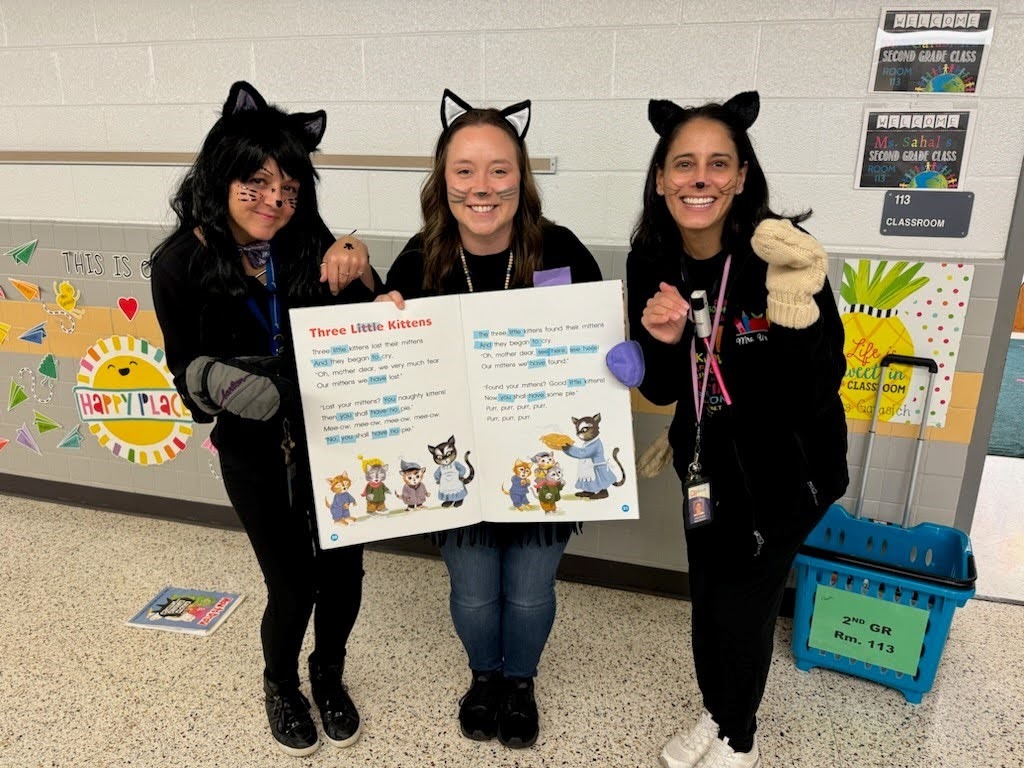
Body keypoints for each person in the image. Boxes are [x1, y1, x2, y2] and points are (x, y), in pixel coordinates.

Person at [150, 81, 382, 758]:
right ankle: (280, 683)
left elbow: (371, 334)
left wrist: (361, 270)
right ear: (221, 175)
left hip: (335, 439)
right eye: (256, 182)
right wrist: (210, 381)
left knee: (343, 573)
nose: (274, 201)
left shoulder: (308, 245)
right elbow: (184, 379)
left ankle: (328, 675)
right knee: (291, 582)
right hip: (252, 451)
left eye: (288, 187)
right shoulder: (180, 263)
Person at [625, 92, 848, 768]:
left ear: (742, 175)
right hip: (706, 466)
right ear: (661, 177)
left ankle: (739, 741)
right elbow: (664, 387)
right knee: (707, 603)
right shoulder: (652, 257)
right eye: (683, 164)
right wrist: (660, 340)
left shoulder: (781, 254)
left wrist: (790, 307)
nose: (701, 178)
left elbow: (813, 391)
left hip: (787, 471)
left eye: (718, 163)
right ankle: (717, 712)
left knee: (741, 613)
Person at [376, 89, 603, 749]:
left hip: (542, 472)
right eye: (465, 170)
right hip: (459, 476)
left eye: (499, 170)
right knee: (475, 596)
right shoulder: (420, 260)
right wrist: (379, 325)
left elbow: (593, 349)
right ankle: (484, 677)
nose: (483, 186)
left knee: (529, 596)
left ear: (521, 178)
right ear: (442, 180)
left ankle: (521, 682)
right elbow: (395, 374)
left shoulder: (560, 251)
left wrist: (622, 356)